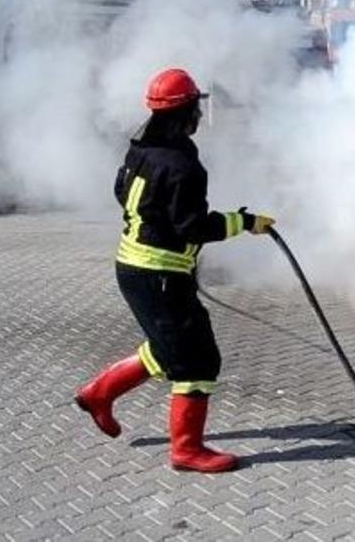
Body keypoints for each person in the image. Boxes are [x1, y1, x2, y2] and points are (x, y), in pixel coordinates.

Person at [75, 68, 276, 473]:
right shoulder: (183, 164)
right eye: (195, 108)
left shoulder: (140, 149)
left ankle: (100, 394)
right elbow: (193, 226)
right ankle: (186, 450)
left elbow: (122, 192)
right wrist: (245, 223)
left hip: (136, 268)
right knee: (198, 362)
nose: (199, 117)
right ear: (186, 112)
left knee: (171, 348)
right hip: (160, 276)